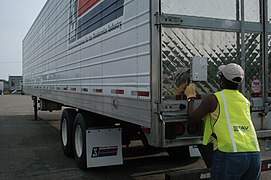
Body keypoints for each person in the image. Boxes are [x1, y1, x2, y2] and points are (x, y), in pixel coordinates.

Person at [184, 63, 261, 180]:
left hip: (230, 155)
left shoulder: (213, 99)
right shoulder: (245, 101)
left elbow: (192, 119)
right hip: (254, 154)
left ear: (221, 80)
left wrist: (190, 97)